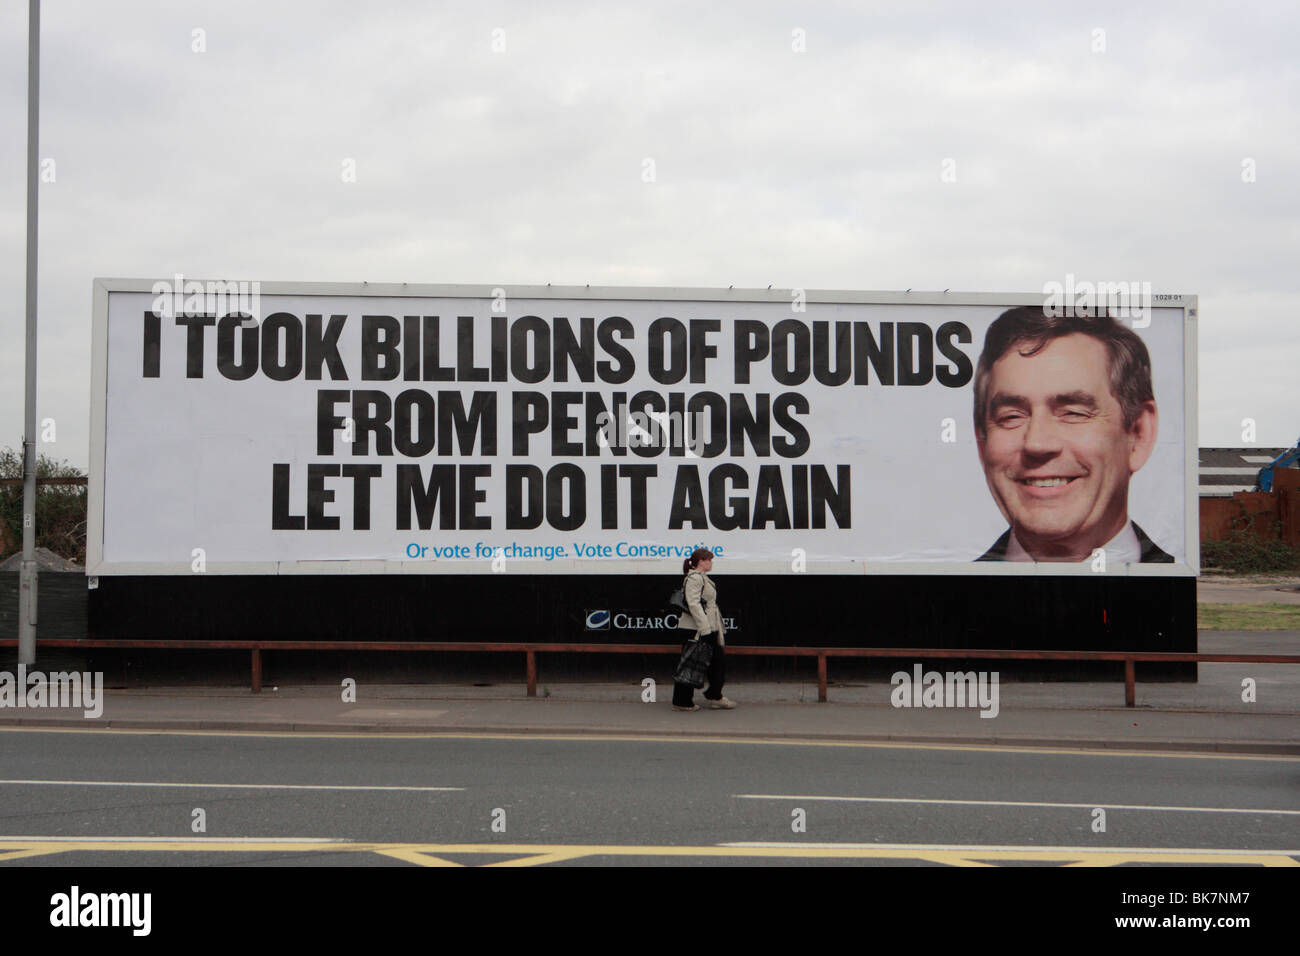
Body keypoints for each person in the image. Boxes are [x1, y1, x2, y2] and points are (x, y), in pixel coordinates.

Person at [973, 306, 1174, 563]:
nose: (1037, 443)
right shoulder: (948, 600)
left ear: (1138, 434)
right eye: (1011, 417)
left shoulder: (1172, 584)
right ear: (981, 441)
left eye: (1074, 412)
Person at [671, 548, 735, 711]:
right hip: (698, 629)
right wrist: (705, 629)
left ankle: (713, 695)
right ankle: (684, 701)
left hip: (705, 627)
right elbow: (694, 604)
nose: (711, 563)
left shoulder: (701, 578)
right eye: (709, 560)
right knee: (692, 664)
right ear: (701, 561)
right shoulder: (695, 578)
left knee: (712, 662)